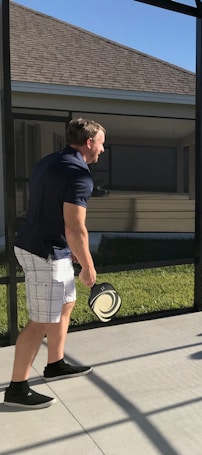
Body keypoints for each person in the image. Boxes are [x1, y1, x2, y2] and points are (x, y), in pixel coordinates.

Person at [4, 118, 106, 409]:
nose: (103, 148)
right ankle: (17, 389)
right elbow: (75, 226)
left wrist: (70, 250)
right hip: (43, 252)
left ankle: (55, 363)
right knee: (40, 321)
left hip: (47, 245)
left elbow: (51, 210)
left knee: (65, 304)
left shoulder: (49, 162)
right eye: (101, 142)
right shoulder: (79, 174)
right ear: (89, 143)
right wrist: (88, 265)